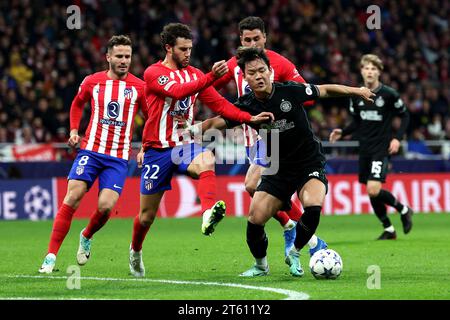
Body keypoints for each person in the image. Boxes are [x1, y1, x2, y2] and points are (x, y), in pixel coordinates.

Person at [192, 47, 375, 277]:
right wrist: (190, 130)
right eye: (252, 73)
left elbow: (325, 90)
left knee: (313, 205)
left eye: (262, 70)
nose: (258, 76)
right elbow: (218, 122)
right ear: (245, 77)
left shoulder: (290, 91)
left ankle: (296, 251)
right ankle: (260, 265)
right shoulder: (246, 105)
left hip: (309, 162)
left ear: (270, 71)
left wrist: (356, 91)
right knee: (255, 219)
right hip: (277, 167)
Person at [128, 23, 272, 277]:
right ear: (168, 48)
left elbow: (222, 106)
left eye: (190, 49)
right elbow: (177, 90)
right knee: (146, 216)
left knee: (207, 157)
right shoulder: (153, 73)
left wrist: (250, 118)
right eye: (182, 49)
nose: (187, 54)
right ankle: (136, 251)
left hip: (184, 145)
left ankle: (206, 213)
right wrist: (210, 77)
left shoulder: (194, 74)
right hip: (157, 150)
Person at [212, 16, 328, 265]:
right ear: (240, 40)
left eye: (256, 39)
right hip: (251, 136)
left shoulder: (280, 63)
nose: (252, 43)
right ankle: (297, 231)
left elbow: (303, 94)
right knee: (254, 188)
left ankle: (298, 232)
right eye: (247, 40)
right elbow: (209, 88)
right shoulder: (235, 64)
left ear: (265, 37)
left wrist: (275, 96)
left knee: (253, 183)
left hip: (275, 135)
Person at [39, 35, 148, 273]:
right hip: (91, 150)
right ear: (108, 57)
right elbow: (77, 104)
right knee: (72, 198)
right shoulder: (93, 82)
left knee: (106, 207)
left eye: (127, 56)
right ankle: (50, 257)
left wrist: (145, 148)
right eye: (118, 56)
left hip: (118, 157)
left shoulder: (140, 87)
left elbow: (152, 118)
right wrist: (74, 130)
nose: (123, 61)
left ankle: (86, 235)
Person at [329, 54, 413, 240]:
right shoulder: (356, 96)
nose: (370, 71)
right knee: (370, 189)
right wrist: (342, 132)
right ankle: (389, 229)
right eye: (367, 68)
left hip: (381, 148)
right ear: (361, 71)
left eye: (374, 69)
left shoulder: (389, 95)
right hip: (364, 148)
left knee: (373, 189)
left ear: (379, 72)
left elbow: (406, 116)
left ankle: (404, 209)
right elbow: (357, 122)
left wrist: (398, 139)